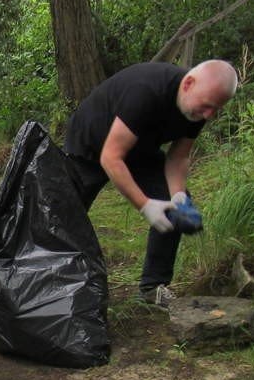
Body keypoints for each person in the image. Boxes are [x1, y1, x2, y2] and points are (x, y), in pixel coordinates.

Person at [62, 59, 239, 306]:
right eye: (208, 106)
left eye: (216, 109)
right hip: (90, 145)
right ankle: (54, 283)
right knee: (65, 219)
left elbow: (178, 157)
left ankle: (152, 287)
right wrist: (145, 205)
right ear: (188, 83)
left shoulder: (198, 108)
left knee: (174, 209)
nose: (209, 115)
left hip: (139, 148)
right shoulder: (147, 91)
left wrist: (177, 196)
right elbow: (111, 157)